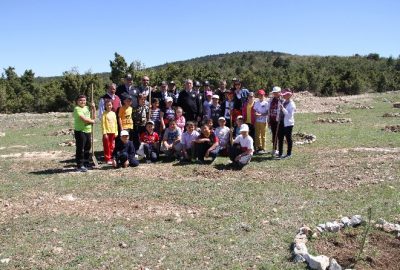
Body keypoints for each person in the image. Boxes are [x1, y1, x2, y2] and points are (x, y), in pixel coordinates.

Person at [73, 94, 96, 172]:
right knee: (80, 148)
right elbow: (84, 119)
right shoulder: (77, 109)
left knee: (87, 147)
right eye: (80, 100)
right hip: (80, 131)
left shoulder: (86, 108)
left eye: (84, 100)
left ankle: (86, 163)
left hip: (88, 130)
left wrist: (94, 108)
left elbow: (93, 117)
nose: (82, 102)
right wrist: (92, 121)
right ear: (77, 101)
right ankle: (80, 165)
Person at [277, 89, 296, 159]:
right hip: (282, 122)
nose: (284, 95)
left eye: (285, 94)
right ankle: (280, 153)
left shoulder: (292, 104)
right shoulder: (284, 102)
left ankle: (289, 153)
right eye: (284, 94)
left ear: (289, 95)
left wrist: (283, 109)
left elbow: (289, 115)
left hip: (288, 124)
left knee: (288, 139)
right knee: (280, 138)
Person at [101, 100, 118, 165]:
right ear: (105, 106)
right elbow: (103, 124)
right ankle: (107, 158)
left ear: (112, 105)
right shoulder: (104, 114)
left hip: (113, 132)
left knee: (112, 146)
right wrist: (104, 133)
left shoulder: (113, 113)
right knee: (107, 146)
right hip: (107, 133)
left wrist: (116, 132)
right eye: (107, 105)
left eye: (110, 105)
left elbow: (116, 123)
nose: (109, 106)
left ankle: (112, 158)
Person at [267, 86, 282, 156]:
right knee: (274, 135)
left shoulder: (282, 100)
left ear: (279, 93)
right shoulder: (271, 100)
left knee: (279, 135)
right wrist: (268, 120)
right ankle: (274, 149)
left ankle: (279, 150)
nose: (275, 94)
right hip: (272, 120)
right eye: (274, 93)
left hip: (279, 121)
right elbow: (269, 110)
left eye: (276, 93)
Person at [253, 89, 268, 154]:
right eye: (259, 95)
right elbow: (254, 110)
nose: (261, 96)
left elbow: (267, 112)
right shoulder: (256, 103)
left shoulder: (266, 103)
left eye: (262, 95)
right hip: (257, 121)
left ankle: (263, 148)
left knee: (263, 135)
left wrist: (261, 114)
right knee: (257, 135)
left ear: (264, 95)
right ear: (258, 96)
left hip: (263, 121)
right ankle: (258, 147)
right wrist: (256, 113)